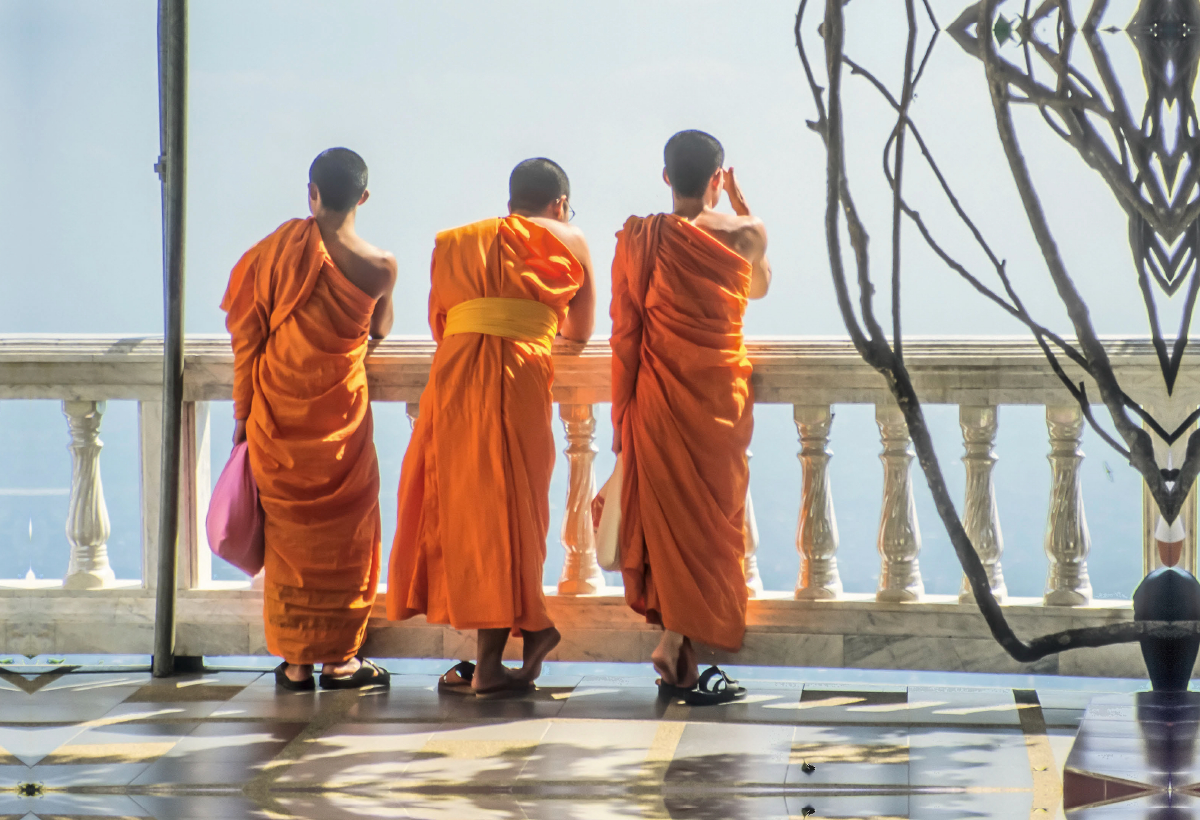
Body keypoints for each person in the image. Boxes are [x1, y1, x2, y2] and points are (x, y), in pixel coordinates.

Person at [388, 158, 596, 697]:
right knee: (512, 511)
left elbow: (442, 321)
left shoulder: (459, 243)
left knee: (471, 511)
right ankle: (502, 652)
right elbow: (581, 327)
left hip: (456, 378)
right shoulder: (568, 237)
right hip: (522, 375)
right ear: (560, 204)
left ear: (510, 206)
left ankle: (501, 651)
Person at [222, 147, 397, 691]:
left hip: (278, 416)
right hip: (339, 421)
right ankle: (340, 660)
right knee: (343, 542)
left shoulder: (273, 253)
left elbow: (247, 338)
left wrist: (243, 415)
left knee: (289, 543)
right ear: (364, 198)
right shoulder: (381, 266)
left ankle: (296, 663)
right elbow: (381, 331)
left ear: (311, 193)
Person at [611, 130, 771, 705]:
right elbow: (758, 287)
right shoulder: (746, 234)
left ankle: (677, 650)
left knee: (673, 527)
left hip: (655, 396)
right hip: (718, 403)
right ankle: (679, 649)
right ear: (716, 179)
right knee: (711, 526)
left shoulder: (639, 238)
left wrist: (620, 412)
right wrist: (743, 211)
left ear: (665, 178)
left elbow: (625, 335)